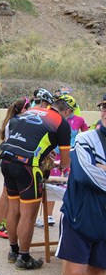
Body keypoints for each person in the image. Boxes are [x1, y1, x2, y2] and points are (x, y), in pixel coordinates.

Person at [52, 98, 106, 275]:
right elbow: (86, 174)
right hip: (79, 217)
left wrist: (102, 167)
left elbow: (99, 175)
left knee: (96, 274)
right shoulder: (85, 139)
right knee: (74, 274)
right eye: (105, 107)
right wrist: (98, 169)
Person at [0, 88, 72, 270]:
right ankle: (24, 258)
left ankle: (13, 251)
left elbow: (28, 136)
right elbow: (65, 162)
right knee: (28, 213)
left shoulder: (31, 111)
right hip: (27, 166)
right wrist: (57, 165)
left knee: (13, 207)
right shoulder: (62, 123)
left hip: (7, 159)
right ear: (67, 111)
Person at [37, 94, 88, 228]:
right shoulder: (53, 118)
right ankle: (48, 215)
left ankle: (70, 215)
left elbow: (85, 134)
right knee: (51, 185)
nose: (71, 112)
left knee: (67, 186)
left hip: (69, 154)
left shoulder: (79, 120)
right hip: (54, 154)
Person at [0, 97, 30, 238]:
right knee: (6, 195)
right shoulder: (16, 121)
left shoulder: (14, 119)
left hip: (10, 159)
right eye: (29, 107)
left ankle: (3, 223)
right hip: (12, 160)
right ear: (23, 109)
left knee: (9, 195)